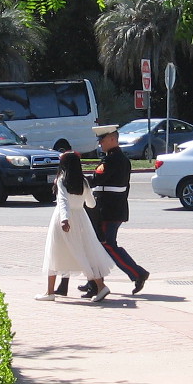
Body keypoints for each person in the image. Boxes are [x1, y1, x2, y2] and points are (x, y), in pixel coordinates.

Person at [78, 125, 150, 297]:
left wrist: (76, 179)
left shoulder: (112, 160)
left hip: (108, 211)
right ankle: (94, 283)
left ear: (112, 139)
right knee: (99, 245)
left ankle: (137, 273)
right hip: (112, 209)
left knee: (106, 244)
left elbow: (96, 180)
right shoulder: (116, 158)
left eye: (102, 140)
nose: (100, 144)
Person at [35, 151, 113, 302]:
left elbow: (63, 201)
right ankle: (100, 285)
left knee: (54, 251)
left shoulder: (61, 179)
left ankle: (50, 291)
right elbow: (92, 203)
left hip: (63, 219)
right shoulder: (83, 181)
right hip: (81, 218)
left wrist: (65, 219)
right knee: (84, 252)